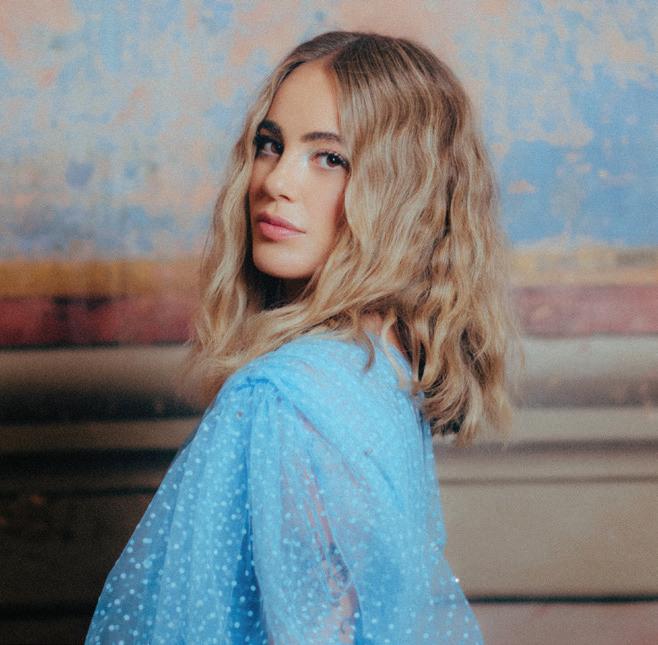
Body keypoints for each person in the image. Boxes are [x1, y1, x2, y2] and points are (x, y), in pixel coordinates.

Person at [85, 30, 517, 644]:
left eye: (329, 158)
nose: (275, 181)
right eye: (271, 145)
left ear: (404, 193)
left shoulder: (282, 397)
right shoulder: (384, 367)